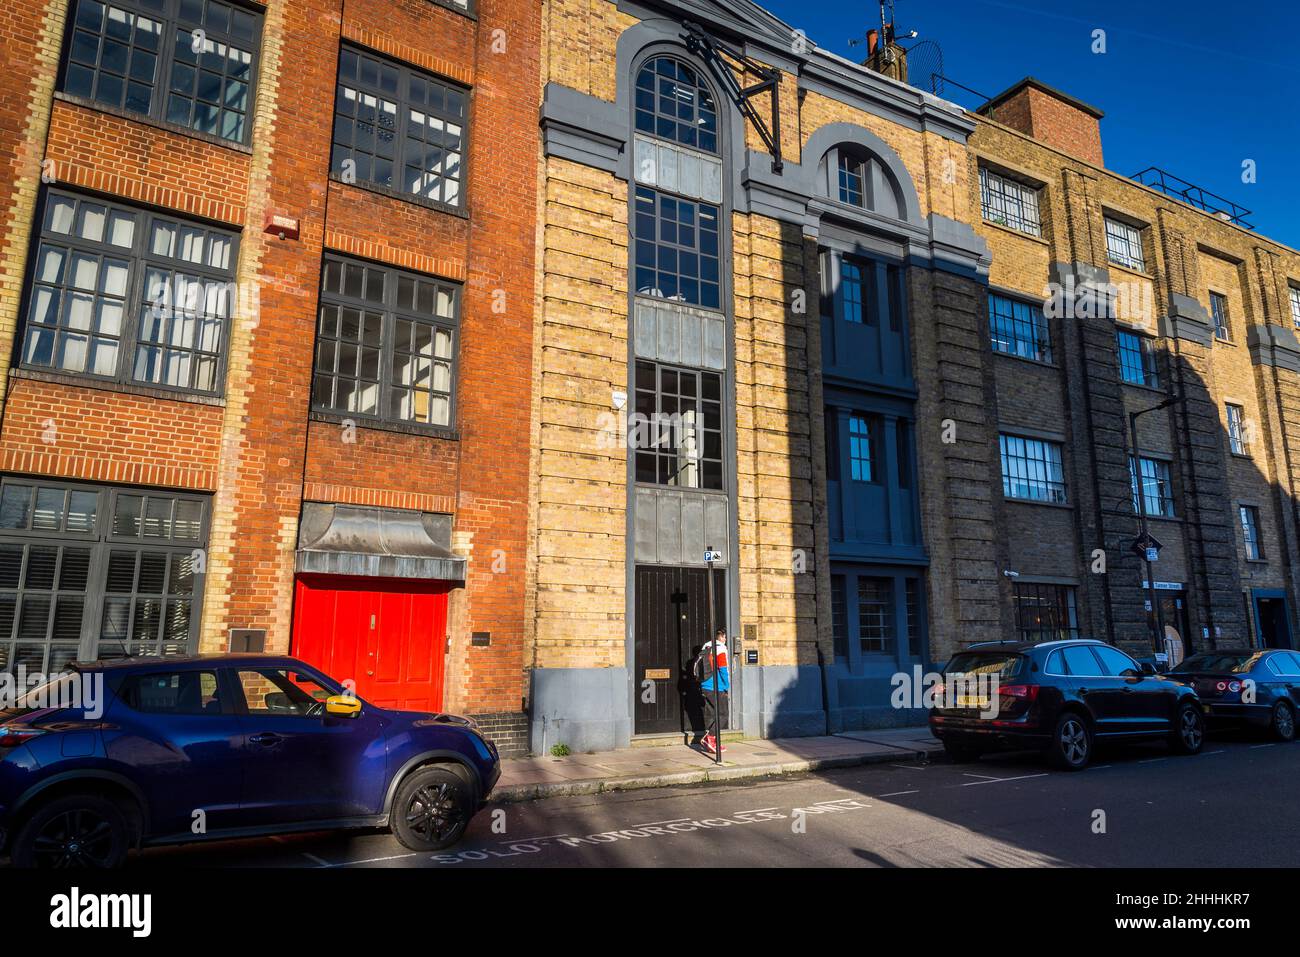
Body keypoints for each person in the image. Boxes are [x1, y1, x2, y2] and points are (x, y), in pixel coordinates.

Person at [695, 628, 730, 755]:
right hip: (717, 686)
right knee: (723, 714)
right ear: (719, 637)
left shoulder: (706, 646)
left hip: (705, 685)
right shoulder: (720, 648)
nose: (725, 639)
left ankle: (711, 740)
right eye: (724, 637)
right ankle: (710, 738)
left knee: (712, 713)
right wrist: (727, 685)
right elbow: (723, 669)